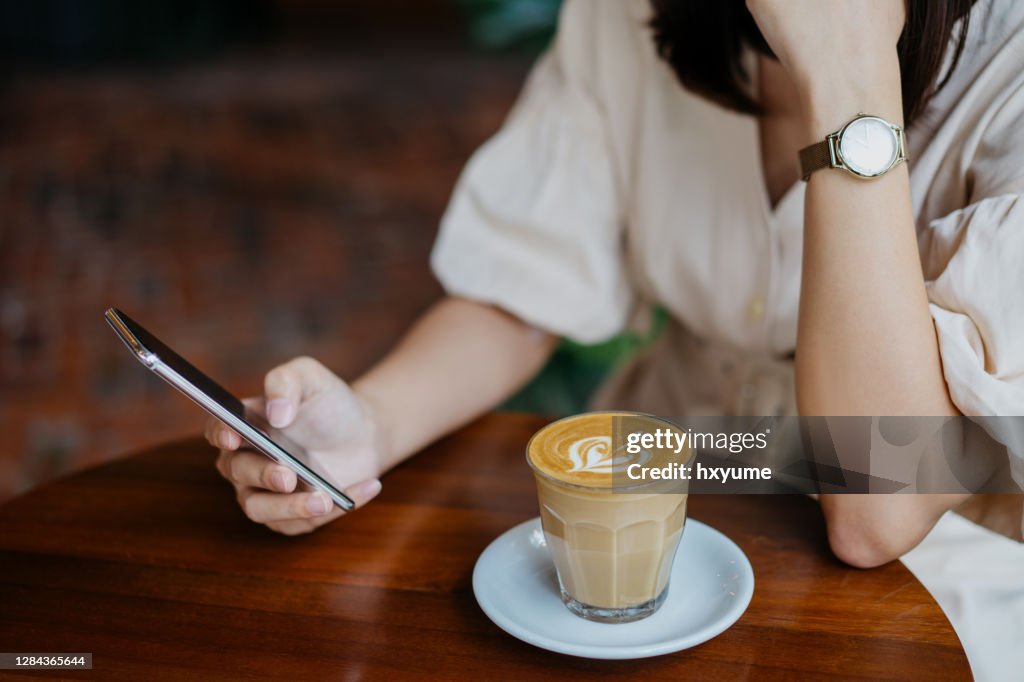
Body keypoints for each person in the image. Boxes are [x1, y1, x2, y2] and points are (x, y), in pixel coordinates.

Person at [206, 1, 1024, 677]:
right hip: (658, 475)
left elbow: (880, 511)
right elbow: (527, 288)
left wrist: (849, 80)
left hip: (928, 577)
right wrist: (371, 425)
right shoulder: (639, 11)